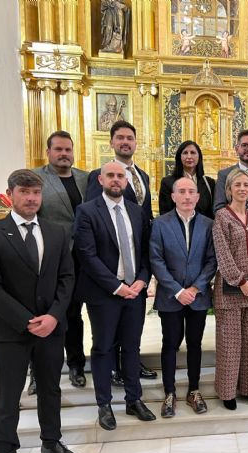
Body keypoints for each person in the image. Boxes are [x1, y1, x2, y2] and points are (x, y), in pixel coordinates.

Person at [0, 169, 81, 453]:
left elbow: (67, 278)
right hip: (10, 331)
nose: (31, 198)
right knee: (8, 396)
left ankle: (52, 442)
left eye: (35, 192)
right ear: (10, 194)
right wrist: (26, 320)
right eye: (24, 192)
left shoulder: (56, 232)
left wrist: (54, 316)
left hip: (50, 328)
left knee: (50, 389)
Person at [74, 162, 156, 430]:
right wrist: (116, 286)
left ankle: (134, 399)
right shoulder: (87, 211)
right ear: (100, 180)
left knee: (132, 348)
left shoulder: (135, 211)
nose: (116, 180)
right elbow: (86, 255)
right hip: (104, 293)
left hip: (135, 292)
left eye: (121, 176)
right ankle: (104, 404)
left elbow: (144, 251)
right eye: (111, 175)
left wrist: (142, 279)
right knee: (103, 348)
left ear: (126, 181)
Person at [86, 120, 157, 385]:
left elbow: (145, 216)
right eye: (120, 138)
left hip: (135, 254)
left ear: (135, 143)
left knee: (131, 325)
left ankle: (130, 364)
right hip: (109, 260)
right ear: (112, 142)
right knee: (109, 323)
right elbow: (93, 214)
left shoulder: (142, 176)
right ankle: (113, 369)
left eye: (130, 138)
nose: (125, 142)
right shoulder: (101, 174)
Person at [150, 177, 217, 418]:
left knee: (195, 345)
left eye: (191, 192)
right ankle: (170, 392)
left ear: (198, 197)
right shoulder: (160, 224)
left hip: (197, 297)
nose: (187, 196)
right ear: (174, 196)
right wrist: (178, 290)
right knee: (170, 344)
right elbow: (156, 260)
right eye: (182, 192)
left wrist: (196, 288)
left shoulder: (209, 224)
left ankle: (194, 390)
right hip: (171, 297)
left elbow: (212, 260)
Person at [32, 131, 89, 393]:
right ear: (49, 152)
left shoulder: (85, 178)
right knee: (44, 313)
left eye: (68, 149)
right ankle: (37, 371)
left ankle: (76, 364)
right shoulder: (37, 178)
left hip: (79, 256)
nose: (64, 154)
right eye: (59, 150)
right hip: (49, 257)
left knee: (73, 313)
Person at [212, 169, 248, 410]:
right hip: (230, 291)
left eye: (246, 184)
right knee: (230, 344)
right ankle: (227, 393)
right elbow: (222, 256)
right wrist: (241, 281)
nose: (242, 188)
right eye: (238, 185)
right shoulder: (221, 217)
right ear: (230, 189)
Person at [159, 140, 215, 219]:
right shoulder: (167, 182)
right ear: (179, 157)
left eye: (193, 153)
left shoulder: (209, 183)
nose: (189, 157)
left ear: (199, 156)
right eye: (185, 153)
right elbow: (165, 213)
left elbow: (211, 213)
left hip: (203, 229)